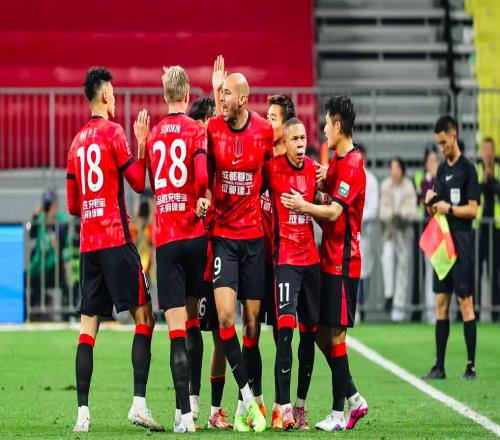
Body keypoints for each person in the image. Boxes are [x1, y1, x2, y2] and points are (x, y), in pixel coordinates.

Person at [66, 67, 161, 432]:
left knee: (87, 329)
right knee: (145, 317)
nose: (116, 99)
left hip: (88, 245)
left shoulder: (76, 143)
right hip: (116, 241)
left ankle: (82, 414)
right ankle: (138, 404)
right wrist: (142, 144)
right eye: (114, 94)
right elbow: (137, 182)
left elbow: (73, 205)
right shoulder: (115, 133)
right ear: (105, 96)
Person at [281, 96, 368, 431]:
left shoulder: (353, 165)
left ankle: (338, 413)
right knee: (324, 334)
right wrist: (315, 187)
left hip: (344, 262)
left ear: (338, 125)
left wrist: (303, 206)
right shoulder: (337, 162)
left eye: (327, 124)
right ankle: (354, 399)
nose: (323, 130)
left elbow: (333, 212)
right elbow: (326, 206)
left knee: (336, 337)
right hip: (329, 259)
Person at [208, 58, 272, 432]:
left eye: (228, 93)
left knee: (251, 324)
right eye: (221, 93)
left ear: (244, 100)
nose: (222, 98)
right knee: (225, 319)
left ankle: (243, 405)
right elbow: (203, 174)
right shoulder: (214, 128)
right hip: (224, 238)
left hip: (253, 239)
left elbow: (277, 171)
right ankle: (248, 398)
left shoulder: (263, 131)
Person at [146, 66, 209, 433]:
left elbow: (152, 184)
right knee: (195, 323)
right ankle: (197, 404)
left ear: (165, 95)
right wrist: (200, 197)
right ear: (187, 95)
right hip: (195, 237)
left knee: (175, 333)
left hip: (167, 241)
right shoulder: (196, 130)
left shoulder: (154, 135)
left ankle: (183, 416)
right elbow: (201, 178)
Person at [264, 118, 320, 431]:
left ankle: (300, 406)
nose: (300, 144)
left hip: (311, 262)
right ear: (284, 142)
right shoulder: (271, 169)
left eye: (302, 138)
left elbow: (325, 198)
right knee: (285, 332)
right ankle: (282, 407)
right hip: (285, 260)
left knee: (309, 334)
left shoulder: (313, 170)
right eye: (294, 139)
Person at [186, 96, 233, 429]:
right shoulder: (191, 157)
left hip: (218, 253)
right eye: (211, 119)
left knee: (220, 333)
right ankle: (191, 406)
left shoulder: (220, 157)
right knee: (191, 327)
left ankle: (215, 410)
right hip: (194, 252)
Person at [422, 115, 479, 381]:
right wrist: (430, 203)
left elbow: (473, 209)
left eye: (444, 142)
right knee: (441, 301)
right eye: (439, 144)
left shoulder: (468, 169)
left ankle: (470, 366)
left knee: (465, 302)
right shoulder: (442, 170)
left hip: (463, 241)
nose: (441, 148)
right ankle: (439, 366)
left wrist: (450, 208)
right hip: (443, 243)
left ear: (453, 135)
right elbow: (436, 208)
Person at [380, 157, 418, 322]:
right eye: (392, 168)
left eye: (397, 168)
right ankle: (389, 294)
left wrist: (401, 213)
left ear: (402, 170)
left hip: (404, 232)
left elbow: (413, 211)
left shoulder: (408, 186)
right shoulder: (385, 185)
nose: (394, 171)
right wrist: (392, 214)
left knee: (403, 269)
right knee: (387, 258)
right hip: (389, 232)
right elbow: (382, 211)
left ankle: (399, 311)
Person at [28, 190, 68, 315]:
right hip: (39, 266)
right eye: (46, 204)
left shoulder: (61, 219)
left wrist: (52, 224)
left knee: (66, 283)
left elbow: (64, 238)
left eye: (50, 204)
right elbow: (31, 234)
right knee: (33, 280)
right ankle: (36, 312)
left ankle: (67, 313)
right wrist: (36, 215)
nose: (48, 207)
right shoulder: (40, 219)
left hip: (56, 266)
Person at [476, 137, 500, 321]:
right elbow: (474, 192)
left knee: (495, 271)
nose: (488, 154)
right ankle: (473, 311)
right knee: (476, 271)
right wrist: (484, 181)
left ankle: (495, 311)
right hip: (479, 227)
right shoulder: (476, 169)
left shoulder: (499, 169)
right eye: (485, 150)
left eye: (490, 150)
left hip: (496, 227)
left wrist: (490, 181)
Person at [417, 146, 439, 322]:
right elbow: (425, 204)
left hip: (442, 232)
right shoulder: (424, 182)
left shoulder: (443, 180)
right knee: (430, 272)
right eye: (430, 161)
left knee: (442, 273)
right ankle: (431, 313)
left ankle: (444, 312)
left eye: (435, 161)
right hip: (429, 232)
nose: (433, 164)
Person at [357, 146, 379, 322]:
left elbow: (373, 207)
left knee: (364, 271)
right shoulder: (348, 175)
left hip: (365, 232)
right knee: (351, 271)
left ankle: (361, 307)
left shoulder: (371, 180)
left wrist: (358, 218)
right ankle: (353, 309)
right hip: (350, 232)